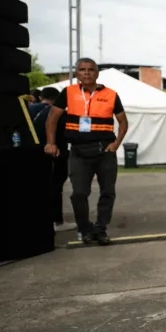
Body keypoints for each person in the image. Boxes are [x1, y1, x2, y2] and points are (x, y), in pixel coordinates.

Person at [43, 58, 128, 245]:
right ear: (77, 73)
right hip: (79, 152)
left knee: (108, 192)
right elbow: (52, 118)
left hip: (105, 150)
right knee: (79, 193)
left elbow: (123, 121)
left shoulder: (111, 94)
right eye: (82, 69)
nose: (87, 73)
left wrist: (116, 144)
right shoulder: (68, 93)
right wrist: (51, 142)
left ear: (97, 73)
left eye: (91, 69)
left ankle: (101, 229)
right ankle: (84, 229)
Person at [32, 87, 76, 232]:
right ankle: (57, 221)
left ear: (41, 97)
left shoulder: (30, 110)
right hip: (56, 154)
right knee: (56, 187)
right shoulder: (60, 113)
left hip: (32, 154)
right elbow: (69, 133)